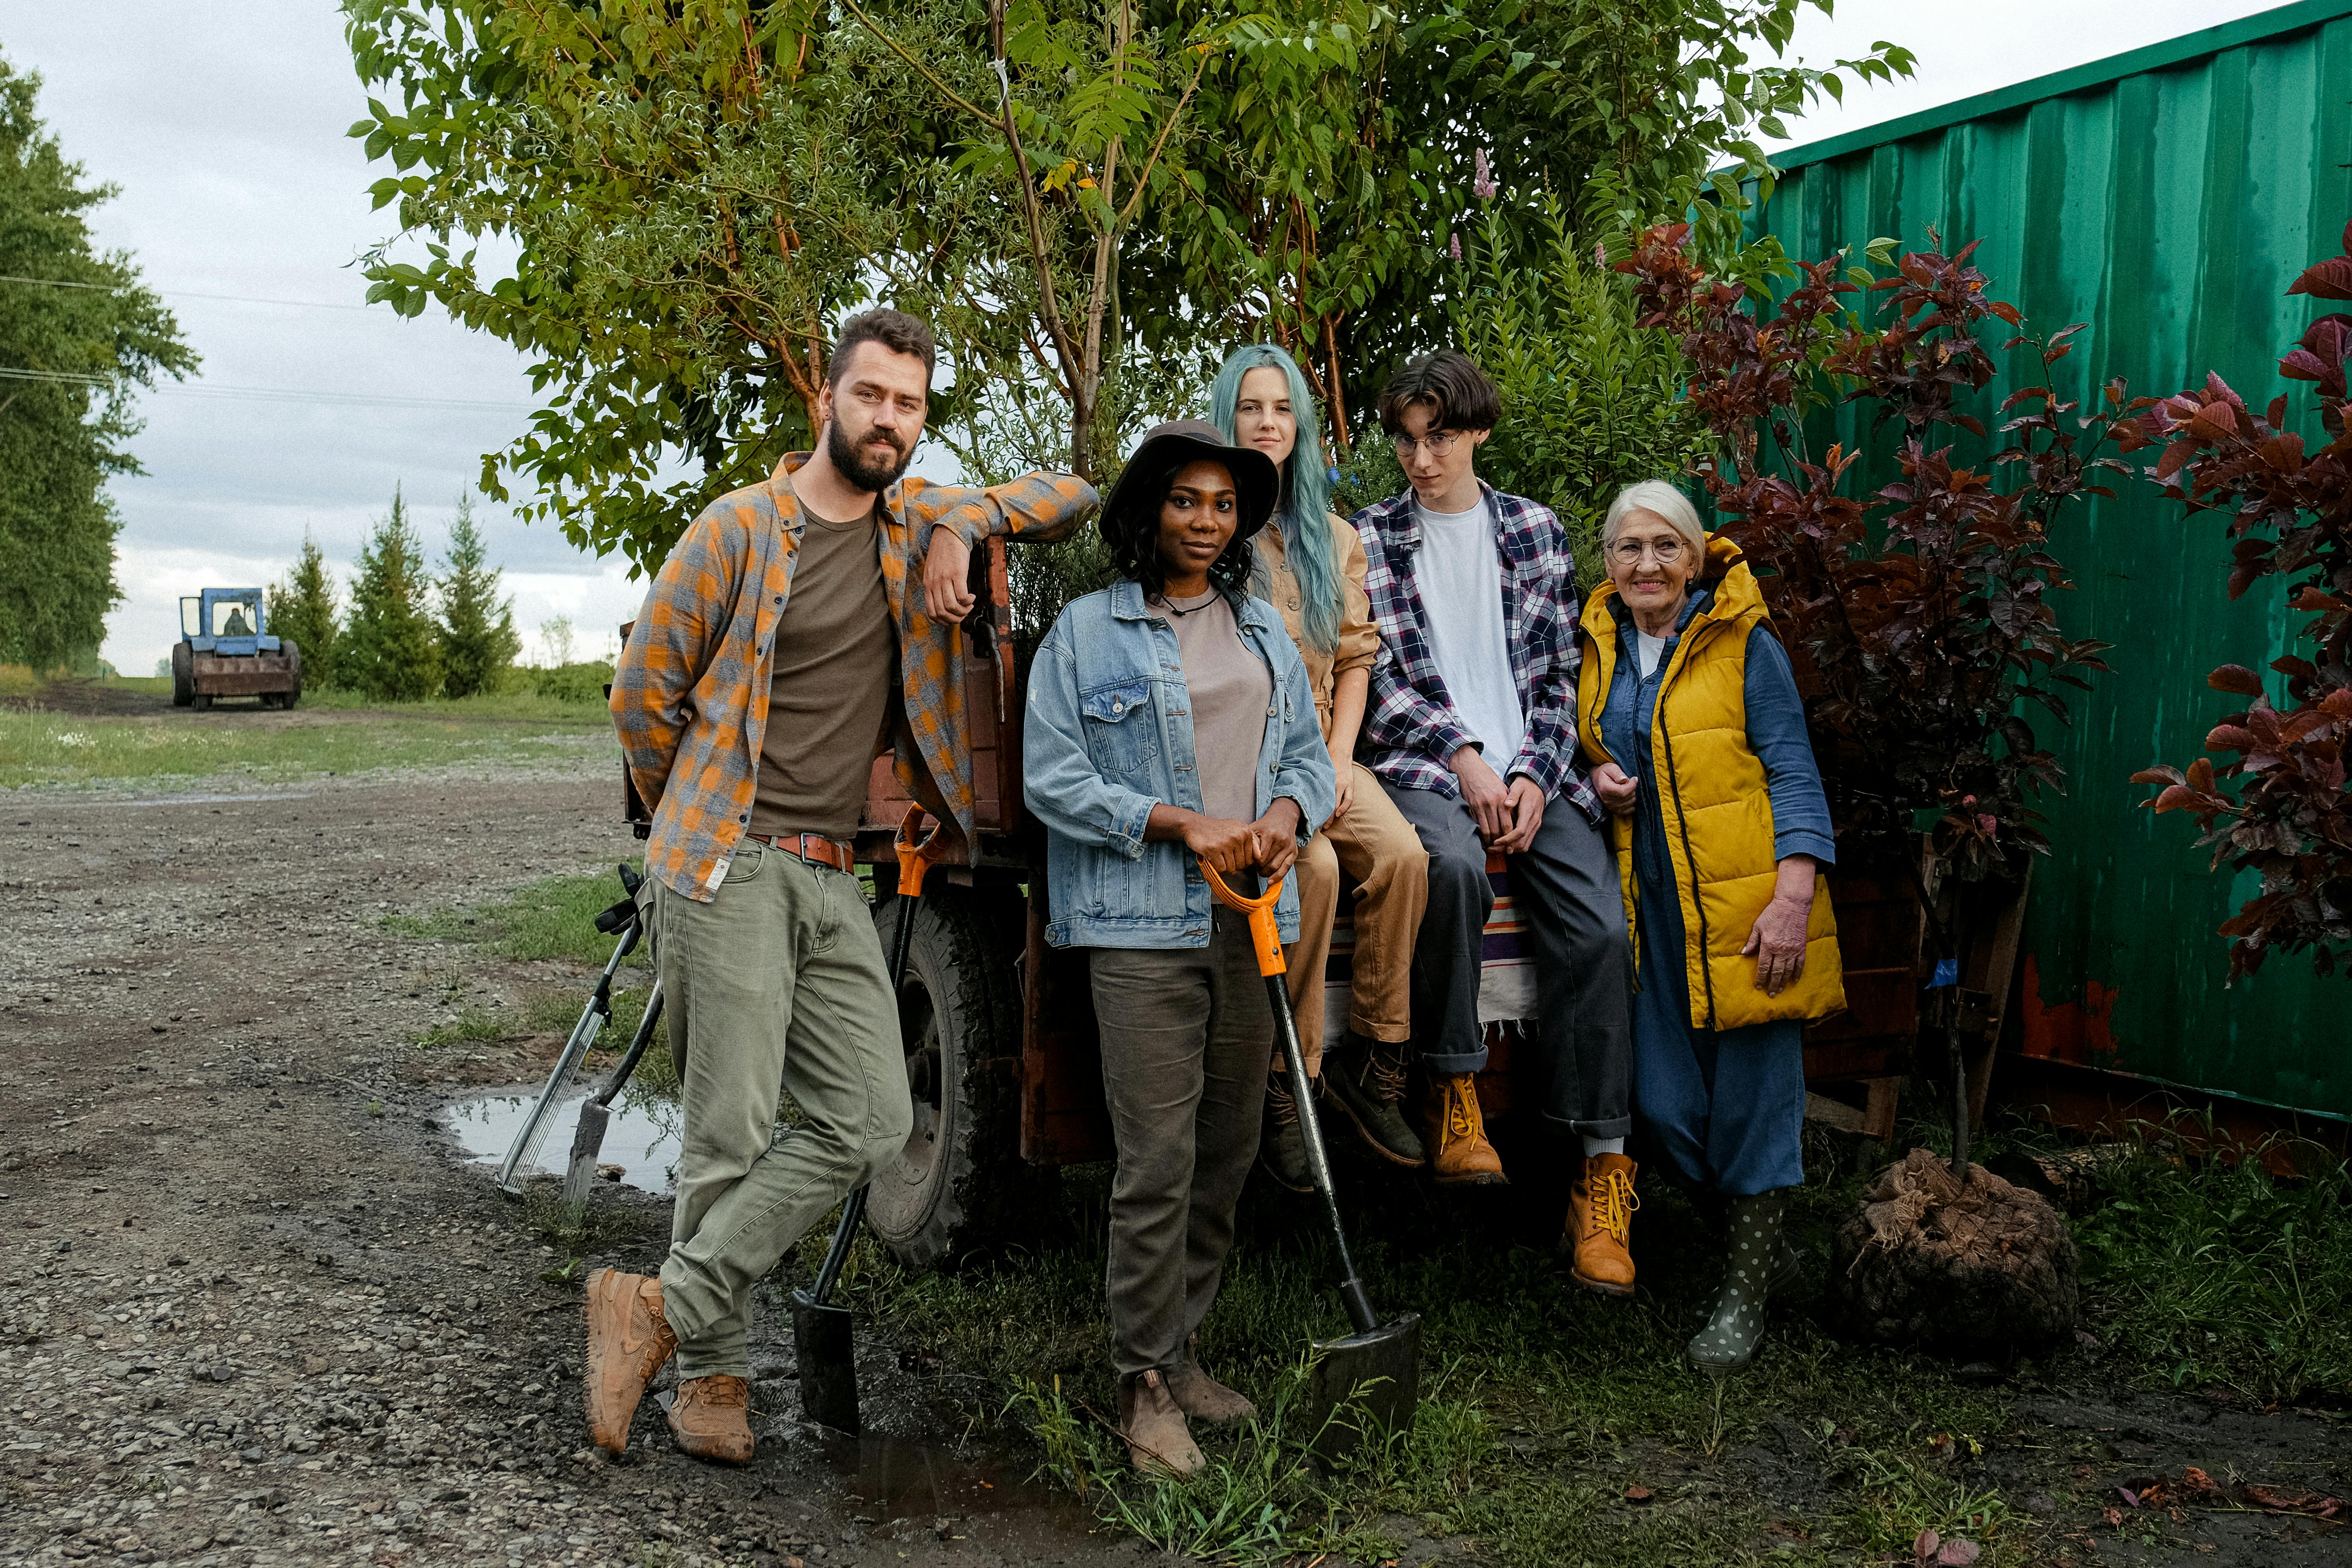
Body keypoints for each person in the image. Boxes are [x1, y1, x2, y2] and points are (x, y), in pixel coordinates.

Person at [592, 307, 1098, 1464]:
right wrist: (698, 816)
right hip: (728, 859)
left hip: (831, 871)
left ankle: (658, 1305)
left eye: (909, 404)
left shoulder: (915, 526)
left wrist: (967, 520)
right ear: (826, 398)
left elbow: (1071, 493)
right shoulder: (737, 530)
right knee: (727, 1131)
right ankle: (712, 1381)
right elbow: (641, 695)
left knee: (871, 1117)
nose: (888, 419)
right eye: (870, 395)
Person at [1023, 419, 1335, 1477]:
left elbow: (1306, 758)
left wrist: (1286, 814)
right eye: (1185, 500)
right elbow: (1053, 778)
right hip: (1140, 925)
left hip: (1250, 917)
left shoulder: (1262, 632)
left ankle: (1180, 1350)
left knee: (1224, 1149)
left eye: (1223, 505)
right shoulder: (1085, 633)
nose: (1205, 521)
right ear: (1148, 511)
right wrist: (1178, 822)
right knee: (1155, 1159)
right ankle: (1142, 1384)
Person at [1354, 350, 1639, 1297]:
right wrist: (1467, 759)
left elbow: (1559, 676)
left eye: (1438, 437)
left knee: (1599, 931)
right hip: (1424, 766)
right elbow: (1380, 681)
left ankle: (1598, 1169)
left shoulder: (1534, 531)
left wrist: (1528, 774)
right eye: (1405, 441)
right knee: (1450, 868)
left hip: (1533, 772)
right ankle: (1453, 1089)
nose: (1420, 458)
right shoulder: (1371, 539)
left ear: (1477, 431)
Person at [1576, 480, 1845, 1375]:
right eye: (1628, 548)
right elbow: (1588, 747)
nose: (1646, 564)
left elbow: (1793, 769)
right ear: (1607, 563)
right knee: (1660, 1103)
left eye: (1665, 547)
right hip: (1649, 906)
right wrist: (1597, 778)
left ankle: (1743, 1297)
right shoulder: (1601, 644)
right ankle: (1761, 1250)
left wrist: (1792, 899)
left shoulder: (1743, 642)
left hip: (1747, 905)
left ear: (1694, 559)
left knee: (1755, 1100)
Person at [1208, 345, 1430, 1189]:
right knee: (1317, 869)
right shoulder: (1214, 524)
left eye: (1282, 408)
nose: (1267, 422)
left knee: (1405, 857)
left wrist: (1339, 757)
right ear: (1229, 418)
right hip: (1245, 759)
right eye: (1250, 407)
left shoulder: (1335, 538)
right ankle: (1286, 1080)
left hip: (1322, 749)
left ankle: (1374, 1060)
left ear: (1300, 424)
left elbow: (1355, 657)